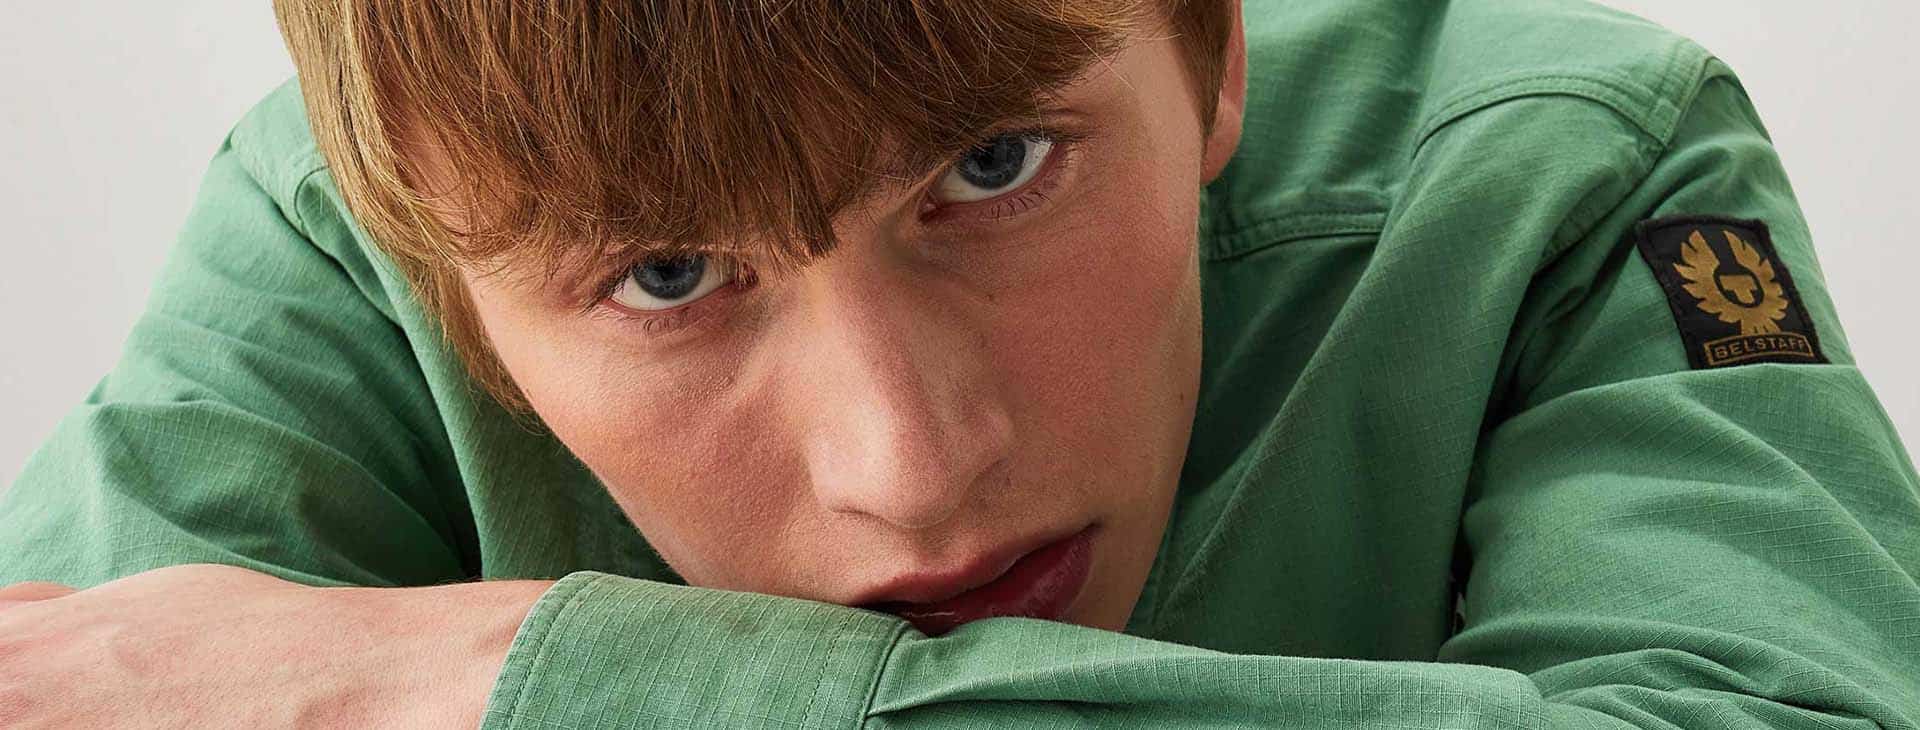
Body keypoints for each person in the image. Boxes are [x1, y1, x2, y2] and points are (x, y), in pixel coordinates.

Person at [1, 0, 1916, 726]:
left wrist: (515, 682)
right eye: (668, 273)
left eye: (993, 170)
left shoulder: (1578, 171)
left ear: (1214, 49)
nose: (908, 467)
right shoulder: (367, 232)